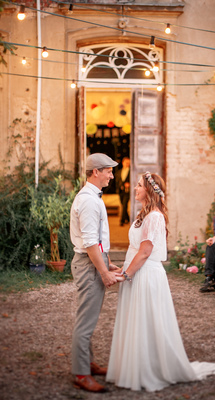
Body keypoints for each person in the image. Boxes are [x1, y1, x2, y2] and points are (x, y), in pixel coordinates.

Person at [106, 171, 215, 392]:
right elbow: (136, 248)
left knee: (146, 320)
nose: (134, 189)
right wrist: (123, 268)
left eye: (138, 186)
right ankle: (133, 367)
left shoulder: (154, 216)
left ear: (149, 191)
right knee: (137, 320)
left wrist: (126, 275)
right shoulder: (143, 214)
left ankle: (149, 369)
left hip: (144, 274)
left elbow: (145, 252)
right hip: (136, 272)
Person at [70, 153, 120, 393]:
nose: (112, 175)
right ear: (95, 172)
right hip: (88, 265)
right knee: (85, 323)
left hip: (92, 262)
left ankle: (87, 364)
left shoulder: (92, 197)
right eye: (108, 170)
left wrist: (106, 262)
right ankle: (80, 374)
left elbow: (96, 240)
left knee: (88, 319)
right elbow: (89, 243)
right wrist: (103, 272)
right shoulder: (89, 201)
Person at [115, 157, 130, 226]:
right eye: (126, 163)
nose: (127, 164)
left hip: (127, 191)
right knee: (123, 204)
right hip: (121, 191)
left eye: (128, 163)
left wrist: (129, 184)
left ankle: (122, 220)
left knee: (124, 204)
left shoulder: (131, 172)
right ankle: (128, 218)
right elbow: (117, 181)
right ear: (123, 163)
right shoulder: (119, 171)